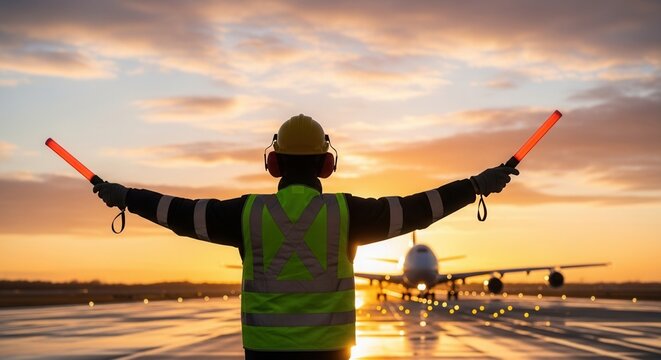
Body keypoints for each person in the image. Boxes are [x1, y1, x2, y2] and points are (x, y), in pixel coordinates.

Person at [94, 114, 518, 359]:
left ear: (274, 163)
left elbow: (179, 213)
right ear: (326, 165)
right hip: (330, 354)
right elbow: (417, 209)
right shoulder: (345, 212)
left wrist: (127, 197)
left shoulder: (247, 213)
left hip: (264, 356)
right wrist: (475, 185)